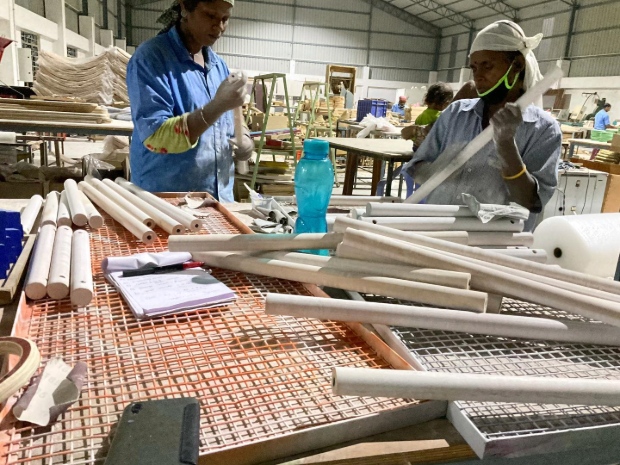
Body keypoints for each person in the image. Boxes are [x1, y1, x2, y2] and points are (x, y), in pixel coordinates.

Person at [404, 20, 562, 231]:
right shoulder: (456, 113)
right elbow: (417, 166)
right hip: (438, 232)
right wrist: (438, 169)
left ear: (517, 65)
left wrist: (506, 146)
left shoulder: (543, 129)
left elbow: (530, 202)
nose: (478, 75)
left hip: (491, 245)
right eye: (474, 67)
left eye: (487, 65)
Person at [126, 0, 254, 202]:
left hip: (218, 200)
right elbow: (156, 136)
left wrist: (245, 138)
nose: (219, 27)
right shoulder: (151, 58)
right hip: (167, 203)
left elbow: (230, 117)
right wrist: (216, 106)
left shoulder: (218, 66)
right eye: (210, 16)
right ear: (185, 8)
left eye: (225, 19)